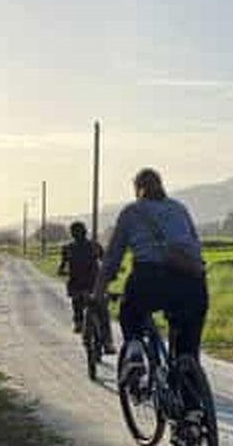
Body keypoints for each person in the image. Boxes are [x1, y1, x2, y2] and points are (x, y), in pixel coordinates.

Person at [93, 168, 208, 393]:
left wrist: (100, 288)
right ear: (161, 186)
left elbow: (113, 257)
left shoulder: (131, 213)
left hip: (150, 278)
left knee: (129, 310)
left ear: (138, 189)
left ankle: (135, 353)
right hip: (192, 281)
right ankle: (193, 415)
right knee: (187, 351)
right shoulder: (179, 209)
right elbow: (194, 245)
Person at [58, 221, 113, 351]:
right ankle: (107, 342)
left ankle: (78, 321)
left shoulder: (68, 248)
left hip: (76, 284)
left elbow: (62, 266)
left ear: (72, 234)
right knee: (102, 312)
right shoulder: (95, 246)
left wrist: (62, 271)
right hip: (95, 284)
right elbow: (105, 261)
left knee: (77, 300)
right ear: (86, 232)